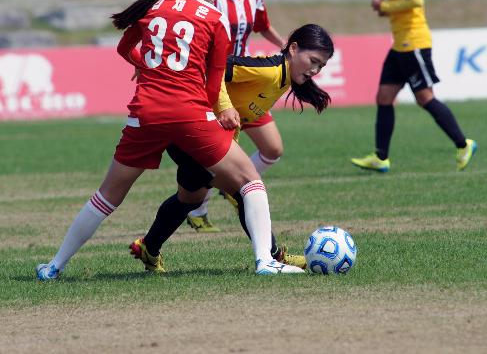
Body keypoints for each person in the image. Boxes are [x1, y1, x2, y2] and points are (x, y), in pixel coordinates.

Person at [35, 0, 303, 281]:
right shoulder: (214, 17)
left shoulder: (153, 7)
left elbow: (123, 48)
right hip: (189, 114)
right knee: (250, 181)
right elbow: (212, 82)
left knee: (107, 197)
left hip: (144, 114)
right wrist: (221, 112)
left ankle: (54, 266)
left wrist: (147, 65)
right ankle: (265, 261)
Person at [129, 24, 334, 273]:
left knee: (189, 199)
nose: (315, 70)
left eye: (321, 66)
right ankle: (272, 257)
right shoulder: (269, 71)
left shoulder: (283, 77)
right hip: (196, 132)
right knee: (245, 190)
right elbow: (210, 68)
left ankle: (148, 247)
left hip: (197, 137)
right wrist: (224, 107)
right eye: (313, 60)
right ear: (293, 48)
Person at [351, 0, 477, 173]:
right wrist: (385, 9)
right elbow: (405, 5)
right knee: (384, 97)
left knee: (425, 98)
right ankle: (381, 157)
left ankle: (463, 143)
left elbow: (417, 0)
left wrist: (384, 5)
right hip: (400, 43)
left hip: (414, 42)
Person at [186, 0, 288, 233]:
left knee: (273, 149)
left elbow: (263, 26)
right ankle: (198, 210)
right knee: (215, 155)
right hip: (218, 84)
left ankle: (232, 187)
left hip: (245, 83)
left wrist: (285, 45)